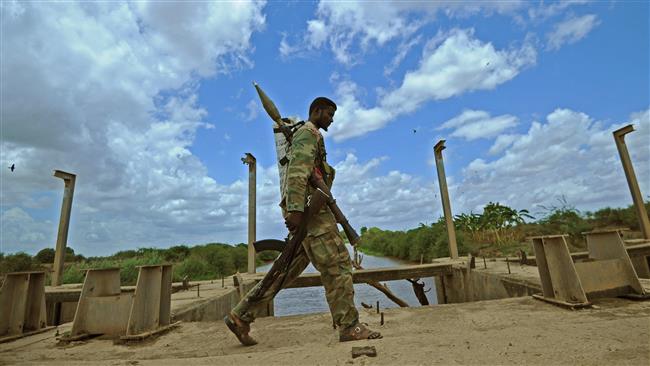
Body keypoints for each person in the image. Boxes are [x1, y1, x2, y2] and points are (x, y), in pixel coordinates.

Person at [224, 97, 382, 346]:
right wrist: (296, 211)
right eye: (329, 113)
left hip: (311, 213)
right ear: (316, 111)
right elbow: (299, 170)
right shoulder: (309, 133)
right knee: (338, 265)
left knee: (286, 269)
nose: (332, 118)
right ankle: (350, 327)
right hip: (313, 214)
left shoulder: (311, 135)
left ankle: (241, 316)